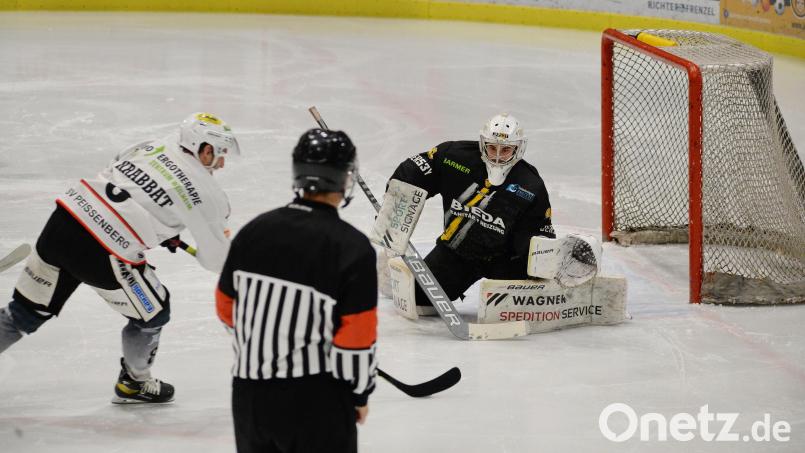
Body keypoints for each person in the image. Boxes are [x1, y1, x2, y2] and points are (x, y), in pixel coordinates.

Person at [0, 112, 239, 403]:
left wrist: (160, 224)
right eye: (220, 153)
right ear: (205, 148)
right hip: (103, 251)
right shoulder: (207, 193)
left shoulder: (152, 145)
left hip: (63, 222)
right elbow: (215, 261)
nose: (223, 163)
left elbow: (122, 178)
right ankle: (134, 382)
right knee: (155, 312)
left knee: (24, 313)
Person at [216, 128, 377, 453]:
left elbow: (225, 306)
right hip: (315, 401)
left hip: (249, 398)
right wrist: (358, 394)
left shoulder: (254, 230)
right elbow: (356, 338)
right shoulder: (351, 247)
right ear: (345, 179)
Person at [370, 113, 599, 314]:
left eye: (506, 149)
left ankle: (574, 282)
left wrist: (545, 267)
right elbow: (415, 170)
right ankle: (391, 267)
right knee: (419, 298)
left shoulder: (530, 186)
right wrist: (395, 202)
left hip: (504, 260)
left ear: (519, 148)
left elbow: (537, 236)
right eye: (492, 147)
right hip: (457, 254)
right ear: (483, 143)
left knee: (526, 302)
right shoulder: (453, 157)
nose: (497, 156)